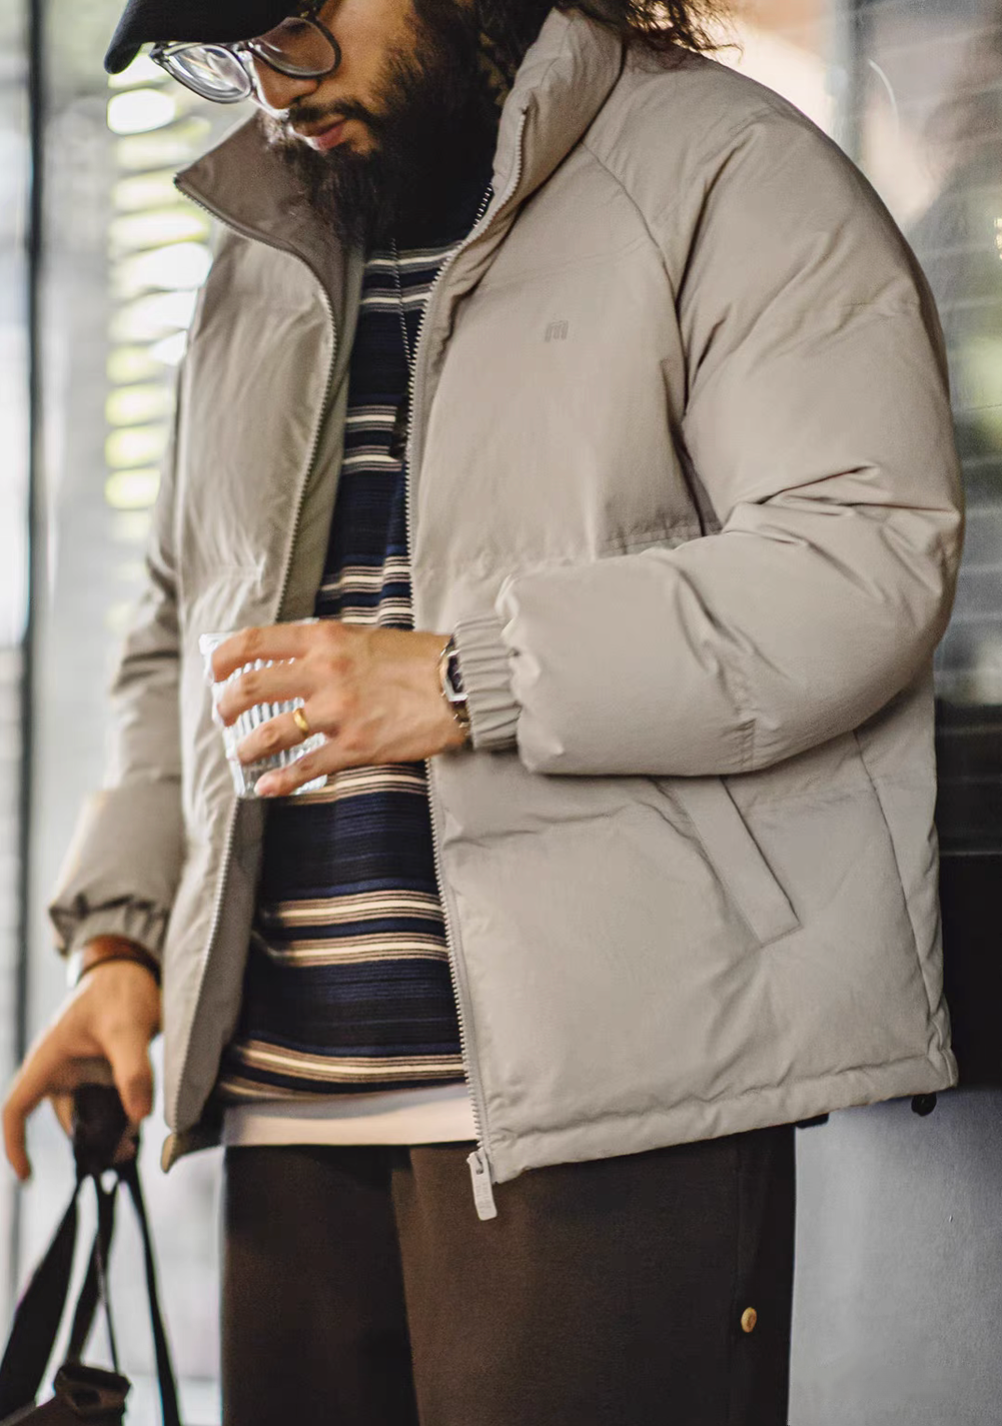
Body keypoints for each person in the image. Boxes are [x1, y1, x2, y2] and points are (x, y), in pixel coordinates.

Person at [3, 0, 963, 1420]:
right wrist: (122, 939)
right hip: (286, 1107)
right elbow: (177, 625)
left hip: (608, 1108)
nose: (275, 84)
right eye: (230, 46)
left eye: (301, 20)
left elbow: (862, 556)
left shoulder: (720, 172)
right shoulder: (266, 250)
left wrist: (467, 677)